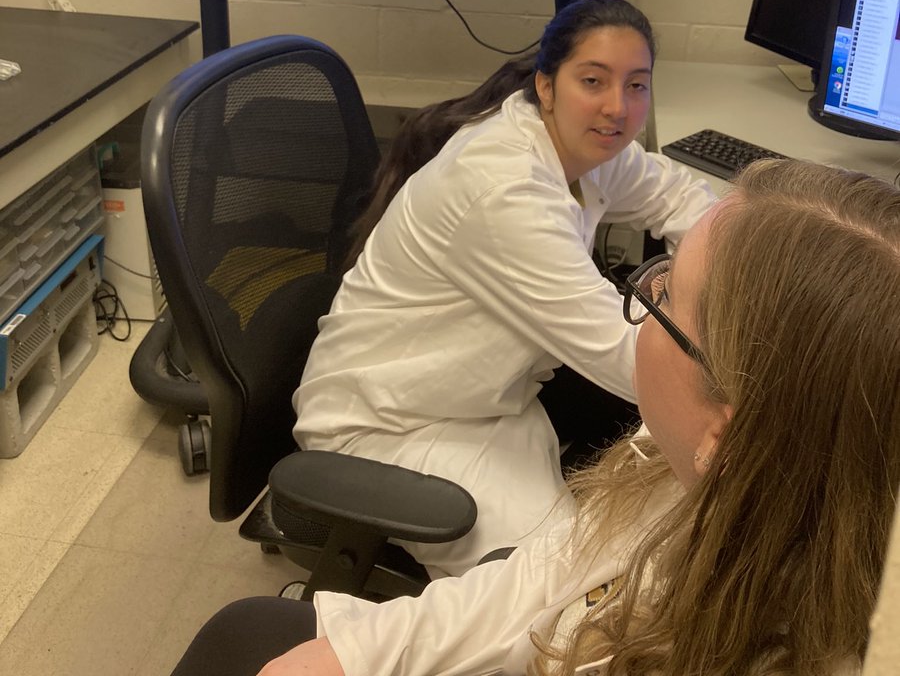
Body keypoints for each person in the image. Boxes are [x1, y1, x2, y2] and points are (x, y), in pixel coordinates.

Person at [171, 159, 900, 676]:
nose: (643, 295)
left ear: (729, 436)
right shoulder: (729, 466)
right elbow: (550, 576)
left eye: (667, 294)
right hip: (395, 414)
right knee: (250, 632)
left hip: (467, 413)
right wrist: (356, 654)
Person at [293, 0, 717, 576]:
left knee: (624, 525)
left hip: (488, 402)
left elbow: (681, 197)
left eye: (636, 86)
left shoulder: (583, 148)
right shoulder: (504, 188)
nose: (617, 107)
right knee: (568, 592)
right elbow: (628, 355)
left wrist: (742, 265)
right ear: (546, 86)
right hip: (392, 426)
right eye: (593, 80)